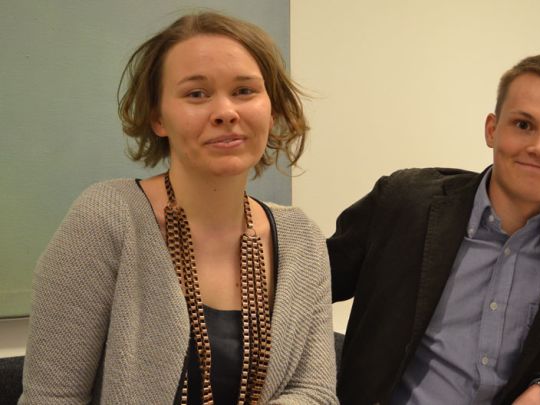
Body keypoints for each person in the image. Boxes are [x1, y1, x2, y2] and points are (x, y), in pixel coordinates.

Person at [20, 12, 337, 405]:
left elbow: (315, 393)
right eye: (196, 94)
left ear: (271, 111)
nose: (225, 112)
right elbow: (52, 397)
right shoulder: (105, 219)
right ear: (157, 118)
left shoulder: (301, 238)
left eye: (244, 91)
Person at [329, 53, 540, 405]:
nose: (539, 148)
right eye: (523, 125)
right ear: (492, 130)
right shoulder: (402, 202)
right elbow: (303, 287)